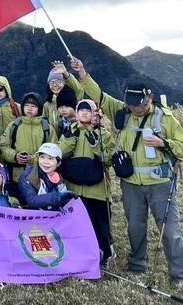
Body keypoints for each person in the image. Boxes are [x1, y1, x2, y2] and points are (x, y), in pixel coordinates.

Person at [72, 57, 183, 279]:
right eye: (131, 104)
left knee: (170, 231)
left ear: (149, 97)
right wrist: (82, 73)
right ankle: (137, 265)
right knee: (135, 227)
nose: (135, 109)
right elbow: (99, 96)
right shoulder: (122, 112)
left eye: (139, 104)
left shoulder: (166, 119)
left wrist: (165, 143)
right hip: (130, 182)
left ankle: (178, 273)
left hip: (160, 183)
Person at [59, 99, 116, 267]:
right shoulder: (70, 131)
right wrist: (70, 138)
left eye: (88, 110)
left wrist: (96, 146)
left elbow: (108, 160)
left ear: (94, 113)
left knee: (101, 225)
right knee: (78, 224)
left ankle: (104, 255)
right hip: (75, 187)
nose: (84, 113)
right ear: (76, 113)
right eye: (81, 110)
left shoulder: (103, 134)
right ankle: (81, 255)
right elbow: (60, 153)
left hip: (97, 189)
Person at [0, 92, 57, 184]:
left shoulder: (47, 128)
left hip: (41, 177)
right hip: (16, 176)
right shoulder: (14, 125)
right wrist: (15, 156)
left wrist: (33, 159)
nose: (29, 109)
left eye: (33, 106)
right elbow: (3, 146)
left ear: (39, 108)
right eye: (27, 105)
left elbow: (54, 152)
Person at [18, 143, 76, 210]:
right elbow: (32, 200)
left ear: (58, 163)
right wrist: (58, 197)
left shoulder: (58, 176)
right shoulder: (28, 176)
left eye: (50, 158)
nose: (45, 162)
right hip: (31, 216)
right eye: (42, 157)